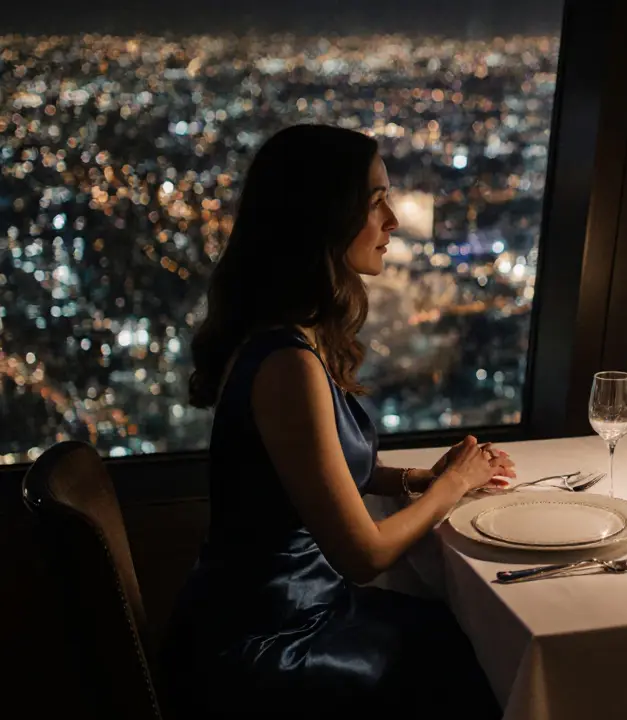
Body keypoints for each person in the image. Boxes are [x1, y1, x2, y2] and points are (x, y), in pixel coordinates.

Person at [163, 124, 511, 718]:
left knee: (468, 640)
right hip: (266, 645)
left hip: (300, 612)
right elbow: (362, 555)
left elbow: (318, 472)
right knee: (470, 662)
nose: (394, 220)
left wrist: (415, 479)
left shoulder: (291, 336)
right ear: (322, 217)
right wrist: (455, 486)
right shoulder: (286, 366)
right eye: (375, 202)